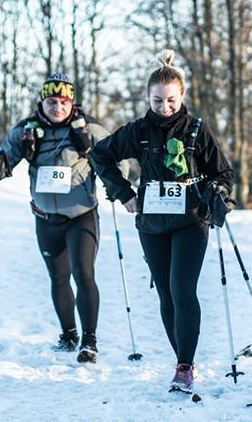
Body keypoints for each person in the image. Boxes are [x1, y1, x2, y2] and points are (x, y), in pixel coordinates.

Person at [91, 50, 235, 393]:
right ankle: (182, 359)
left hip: (190, 219)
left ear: (182, 96)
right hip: (152, 223)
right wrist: (124, 192)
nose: (164, 106)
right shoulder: (138, 131)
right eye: (157, 100)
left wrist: (219, 193)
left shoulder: (197, 130)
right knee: (167, 296)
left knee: (183, 290)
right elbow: (101, 155)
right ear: (147, 97)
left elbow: (223, 172)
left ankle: (184, 366)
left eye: (171, 100)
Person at [0, 73, 116, 364]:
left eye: (63, 102)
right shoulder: (26, 130)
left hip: (81, 215)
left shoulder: (89, 129)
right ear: (41, 102)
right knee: (58, 278)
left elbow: (118, 161)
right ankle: (68, 335)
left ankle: (89, 341)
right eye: (51, 101)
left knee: (83, 274)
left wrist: (103, 163)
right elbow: (3, 162)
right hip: (45, 217)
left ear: (72, 103)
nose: (57, 107)